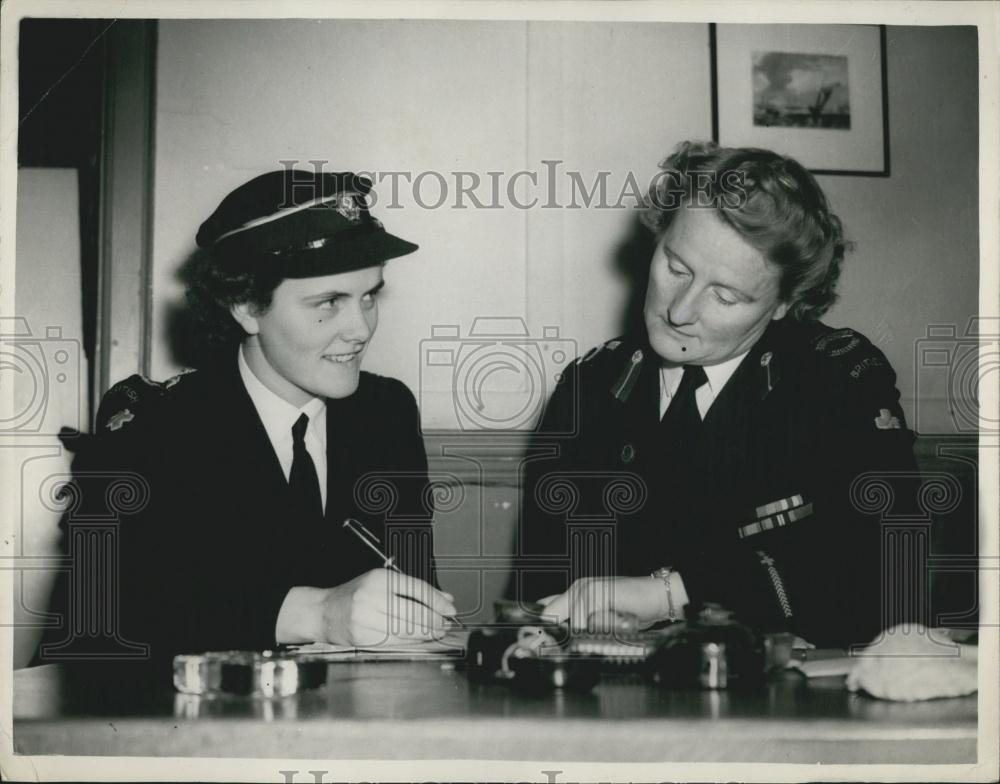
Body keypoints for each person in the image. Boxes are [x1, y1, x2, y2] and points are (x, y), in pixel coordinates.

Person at [37, 169, 455, 665]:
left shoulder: (386, 414)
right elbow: (95, 628)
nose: (360, 329)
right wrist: (313, 614)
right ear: (245, 306)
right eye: (329, 303)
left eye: (369, 296)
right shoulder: (152, 430)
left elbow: (412, 587)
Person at [517, 141, 918, 647]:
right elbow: (542, 592)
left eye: (726, 296)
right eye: (676, 267)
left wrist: (673, 593)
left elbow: (880, 579)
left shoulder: (836, 382)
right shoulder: (591, 387)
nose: (680, 311)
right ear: (658, 234)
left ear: (784, 304)